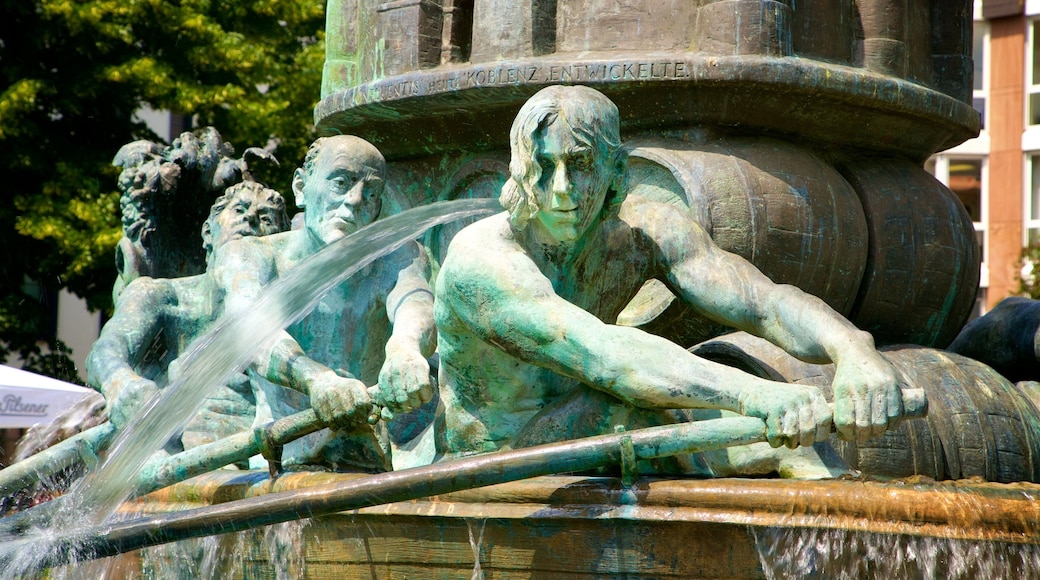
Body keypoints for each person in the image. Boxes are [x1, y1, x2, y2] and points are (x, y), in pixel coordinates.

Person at [433, 85, 905, 467]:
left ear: (616, 169)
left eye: (579, 165)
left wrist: (853, 351)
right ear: (519, 171)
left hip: (595, 424)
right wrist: (757, 395)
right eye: (543, 168)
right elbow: (606, 357)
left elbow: (762, 303)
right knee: (637, 406)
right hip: (494, 462)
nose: (561, 190)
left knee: (773, 412)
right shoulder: (483, 262)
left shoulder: (644, 231)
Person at [210, 135, 436, 471]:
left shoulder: (399, 256)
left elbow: (416, 301)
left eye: (371, 193)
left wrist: (405, 348)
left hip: (367, 454)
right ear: (300, 188)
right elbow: (251, 330)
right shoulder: (250, 255)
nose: (355, 201)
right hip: (281, 456)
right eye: (341, 182)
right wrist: (318, 380)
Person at [87, 181, 290, 447]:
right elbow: (107, 349)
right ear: (208, 232)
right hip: (177, 443)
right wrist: (119, 381)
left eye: (265, 218)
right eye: (239, 210)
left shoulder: (293, 313)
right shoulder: (162, 295)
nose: (250, 219)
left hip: (268, 445)